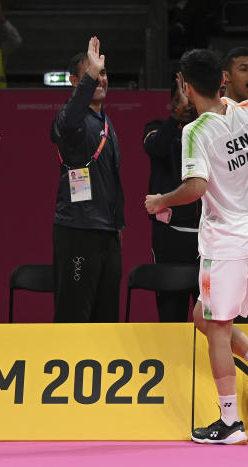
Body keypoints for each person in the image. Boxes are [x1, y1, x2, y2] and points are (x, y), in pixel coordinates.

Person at [145, 11, 248, 445]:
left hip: (226, 243)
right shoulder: (244, 112)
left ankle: (230, 423)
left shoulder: (195, 131)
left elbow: (197, 186)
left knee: (216, 327)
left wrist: (161, 200)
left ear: (185, 84)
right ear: (220, 80)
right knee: (203, 315)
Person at [50, 36, 124, 323]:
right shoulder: (69, 119)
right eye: (93, 74)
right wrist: (90, 76)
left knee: (106, 317)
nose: (101, 79)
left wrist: (117, 228)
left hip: (108, 233)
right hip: (78, 230)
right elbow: (68, 123)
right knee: (74, 315)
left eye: (103, 73)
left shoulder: (105, 122)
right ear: (74, 81)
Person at [141, 75, 200, 321]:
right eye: (178, 98)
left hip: (207, 239)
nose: (184, 103)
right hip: (169, 237)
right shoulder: (156, 127)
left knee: (209, 316)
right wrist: (177, 117)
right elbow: (156, 148)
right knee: (170, 315)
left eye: (189, 97)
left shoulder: (209, 129)